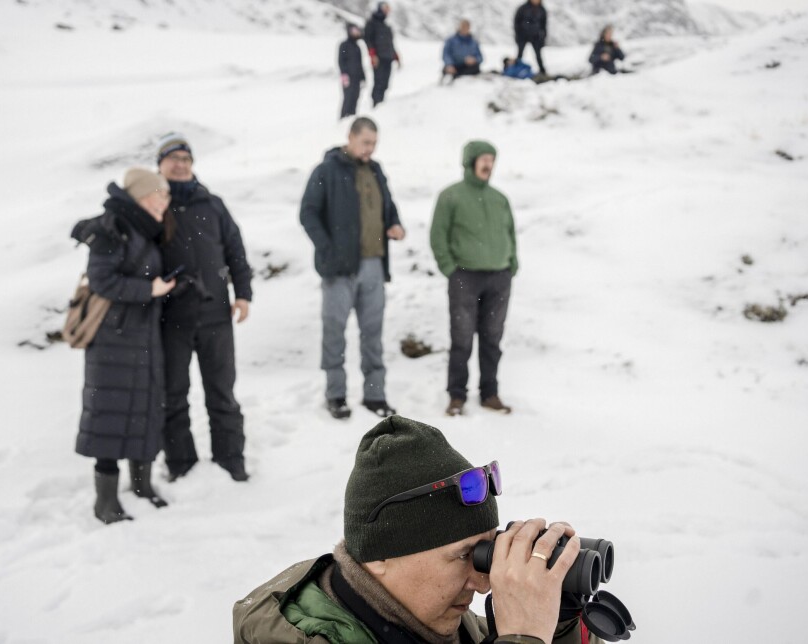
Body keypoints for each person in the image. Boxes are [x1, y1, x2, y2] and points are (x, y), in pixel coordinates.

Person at [232, 415, 602, 644]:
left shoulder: (441, 625)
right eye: (463, 554)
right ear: (379, 557)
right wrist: (523, 638)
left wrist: (558, 625)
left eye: (486, 552)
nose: (484, 583)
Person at [73, 168, 176, 524]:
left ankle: (142, 486)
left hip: (143, 337)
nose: (166, 201)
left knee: (144, 410)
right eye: (161, 194)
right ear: (143, 196)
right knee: (110, 417)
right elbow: (101, 280)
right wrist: (149, 289)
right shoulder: (112, 227)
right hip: (113, 341)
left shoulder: (144, 228)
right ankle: (105, 502)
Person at [157, 133, 254, 482]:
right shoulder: (155, 205)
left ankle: (231, 460)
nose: (180, 165)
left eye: (186, 159)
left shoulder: (212, 204)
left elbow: (235, 249)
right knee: (172, 395)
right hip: (171, 318)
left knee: (222, 392)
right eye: (173, 159)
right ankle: (180, 464)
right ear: (160, 165)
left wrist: (243, 293)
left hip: (216, 314)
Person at [299, 117, 405, 420]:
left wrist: (394, 224)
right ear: (351, 137)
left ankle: (375, 394)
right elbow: (308, 213)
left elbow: (388, 207)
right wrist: (329, 250)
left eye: (374, 143)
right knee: (334, 330)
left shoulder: (376, 170)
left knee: (373, 332)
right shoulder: (326, 171)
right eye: (366, 142)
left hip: (374, 265)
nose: (370, 149)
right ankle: (336, 395)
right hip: (339, 269)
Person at [430, 141, 518, 417]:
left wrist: (511, 265)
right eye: (483, 159)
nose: (488, 165)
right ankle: (457, 395)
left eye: (492, 159)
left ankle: (489, 393)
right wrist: (450, 269)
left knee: (492, 338)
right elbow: (438, 235)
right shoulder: (451, 196)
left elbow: (510, 233)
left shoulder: (499, 198)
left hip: (499, 278)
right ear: (470, 161)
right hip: (464, 278)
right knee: (462, 339)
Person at [364, 2, 401, 106]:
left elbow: (390, 43)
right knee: (379, 82)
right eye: (385, 8)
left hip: (388, 57)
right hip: (378, 58)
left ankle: (381, 103)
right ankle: (376, 103)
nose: (387, 11)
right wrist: (373, 55)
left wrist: (396, 56)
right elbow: (368, 40)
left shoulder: (386, 26)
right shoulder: (372, 23)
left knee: (385, 83)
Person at [514, 0, 548, 75]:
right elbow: (517, 22)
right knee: (520, 53)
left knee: (538, 54)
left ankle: (542, 71)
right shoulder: (523, 8)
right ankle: (516, 69)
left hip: (536, 36)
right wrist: (518, 34)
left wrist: (543, 36)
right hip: (523, 35)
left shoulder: (542, 10)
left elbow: (544, 24)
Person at [339, 23, 365, 119]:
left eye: (357, 31)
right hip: (348, 78)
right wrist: (344, 75)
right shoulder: (344, 45)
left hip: (357, 78)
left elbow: (360, 64)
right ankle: (343, 119)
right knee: (348, 99)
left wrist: (363, 77)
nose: (355, 33)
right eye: (353, 31)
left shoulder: (357, 47)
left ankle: (352, 119)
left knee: (355, 99)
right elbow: (341, 61)